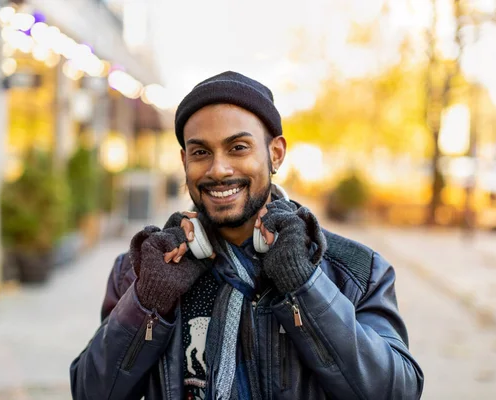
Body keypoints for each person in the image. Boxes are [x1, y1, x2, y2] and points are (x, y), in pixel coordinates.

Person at [70, 71, 424, 400]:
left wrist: (304, 285)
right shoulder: (141, 273)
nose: (218, 169)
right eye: (200, 152)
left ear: (276, 153)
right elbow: (90, 392)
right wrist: (148, 301)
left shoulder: (354, 272)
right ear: (184, 161)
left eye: (238, 147)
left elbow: (396, 392)